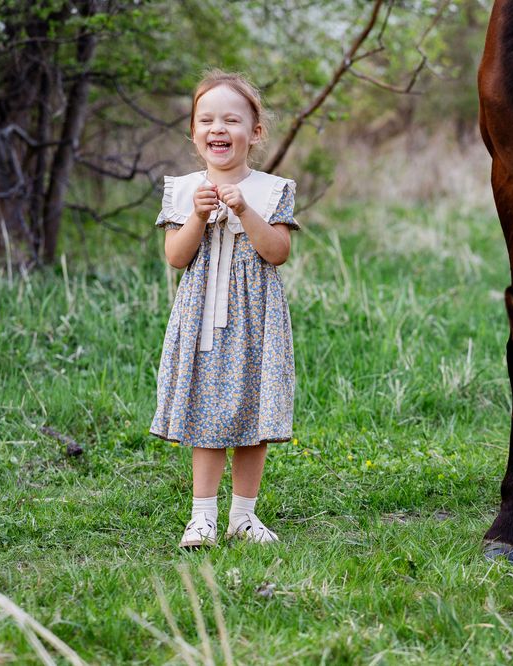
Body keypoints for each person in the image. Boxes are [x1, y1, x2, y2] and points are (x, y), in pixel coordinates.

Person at [150, 70, 299, 548]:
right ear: (194, 132)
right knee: (206, 415)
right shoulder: (184, 189)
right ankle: (202, 516)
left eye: (231, 120)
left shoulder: (271, 189)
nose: (218, 128)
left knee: (253, 418)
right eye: (206, 119)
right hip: (202, 322)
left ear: (254, 133)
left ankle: (243, 516)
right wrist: (197, 215)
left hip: (256, 321)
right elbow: (176, 257)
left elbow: (276, 251)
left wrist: (245, 212)